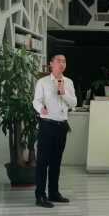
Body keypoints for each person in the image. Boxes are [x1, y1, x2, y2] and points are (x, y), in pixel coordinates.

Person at [32, 53, 77, 208]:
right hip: (47, 125)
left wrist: (63, 92)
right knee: (42, 162)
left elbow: (73, 103)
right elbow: (36, 100)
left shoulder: (68, 82)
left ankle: (53, 193)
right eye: (58, 61)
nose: (62, 63)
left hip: (62, 126)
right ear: (51, 64)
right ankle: (40, 195)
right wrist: (40, 108)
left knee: (56, 162)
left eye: (64, 61)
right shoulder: (42, 82)